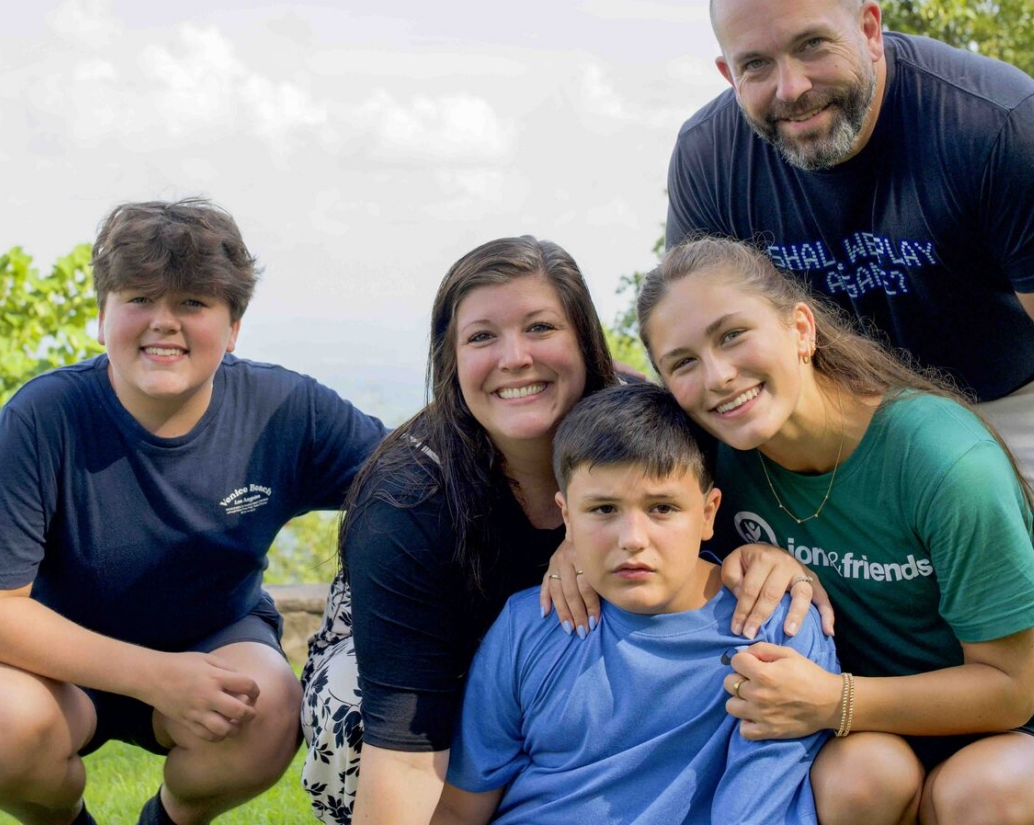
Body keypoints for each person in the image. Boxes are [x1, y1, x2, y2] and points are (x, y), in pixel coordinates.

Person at [665, 0, 1034, 823]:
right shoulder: (712, 159)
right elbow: (697, 329)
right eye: (757, 65)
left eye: (812, 46)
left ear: (869, 28)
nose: (790, 87)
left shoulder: (994, 124)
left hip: (1028, 383)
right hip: (842, 403)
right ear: (727, 72)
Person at [300, 236, 820, 825]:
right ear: (450, 360)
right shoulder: (407, 497)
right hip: (433, 663)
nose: (515, 357)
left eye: (541, 327)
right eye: (480, 336)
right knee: (356, 703)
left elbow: (699, 514)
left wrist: (768, 555)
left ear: (585, 341)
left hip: (585, 664)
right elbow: (404, 754)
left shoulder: (657, 421)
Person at [637, 236, 1034, 825]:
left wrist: (832, 700)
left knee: (979, 797)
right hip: (859, 738)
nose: (718, 375)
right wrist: (571, 557)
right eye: (682, 362)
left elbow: (1010, 688)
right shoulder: (713, 463)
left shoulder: (943, 458)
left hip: (1018, 737)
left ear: (801, 330)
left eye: (732, 334)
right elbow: (618, 511)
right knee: (857, 779)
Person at [0, 199, 387, 825]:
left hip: (213, 648)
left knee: (270, 707)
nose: (163, 323)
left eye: (193, 303)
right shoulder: (44, 417)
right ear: (102, 317)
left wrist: (565, 520)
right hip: (54, 669)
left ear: (233, 328)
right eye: (140, 299)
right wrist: (154, 676)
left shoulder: (285, 410)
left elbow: (422, 475)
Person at [433, 383, 835, 825]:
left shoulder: (779, 625)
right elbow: (461, 807)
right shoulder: (529, 624)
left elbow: (756, 812)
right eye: (604, 510)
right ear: (566, 517)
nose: (633, 541)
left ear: (707, 513)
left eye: (662, 508)